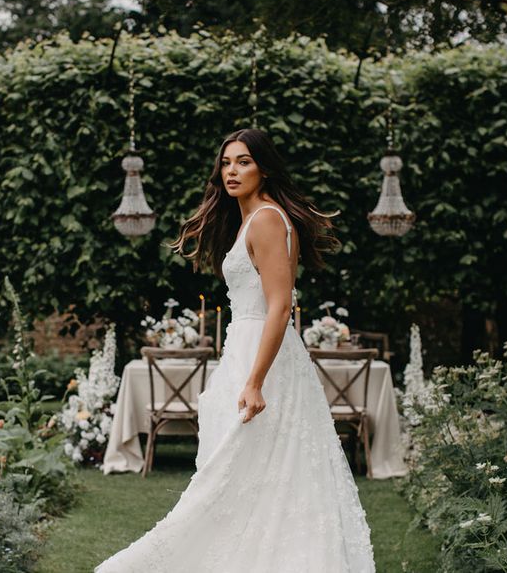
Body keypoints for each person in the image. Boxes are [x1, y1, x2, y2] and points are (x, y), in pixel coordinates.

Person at [94, 128, 375, 573]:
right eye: (226, 162)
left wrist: (255, 381)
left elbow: (280, 305)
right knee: (251, 475)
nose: (232, 171)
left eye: (243, 161)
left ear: (263, 167)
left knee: (237, 472)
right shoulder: (256, 218)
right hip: (251, 352)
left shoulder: (266, 218)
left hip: (262, 358)